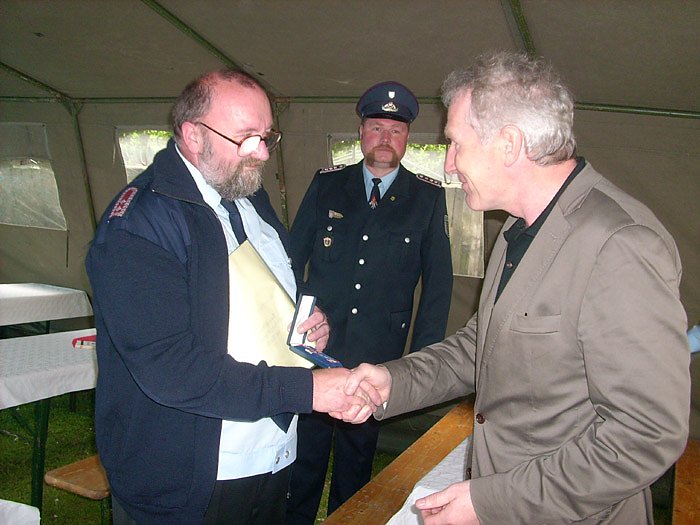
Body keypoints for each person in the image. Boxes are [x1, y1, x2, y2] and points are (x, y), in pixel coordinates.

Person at [344, 52, 690, 524]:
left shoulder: (619, 244)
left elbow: (645, 435)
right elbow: (481, 346)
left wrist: (491, 502)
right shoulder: (517, 228)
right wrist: (394, 381)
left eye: (455, 143)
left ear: (508, 144)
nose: (449, 164)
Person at [86, 69, 372, 524]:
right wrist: (308, 390)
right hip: (191, 474)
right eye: (245, 138)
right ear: (193, 136)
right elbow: (170, 368)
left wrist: (307, 317)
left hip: (270, 449)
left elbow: (270, 279)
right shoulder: (138, 226)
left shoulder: (244, 193)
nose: (261, 153)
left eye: (266, 136)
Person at [286, 81, 453, 522]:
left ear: (407, 138)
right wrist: (297, 322)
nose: (385, 138)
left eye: (395, 131)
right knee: (306, 452)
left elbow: (438, 286)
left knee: (357, 458)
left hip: (379, 353)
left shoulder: (427, 197)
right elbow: (292, 259)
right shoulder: (328, 185)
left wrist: (421, 364)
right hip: (319, 347)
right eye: (376, 128)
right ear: (361, 132)